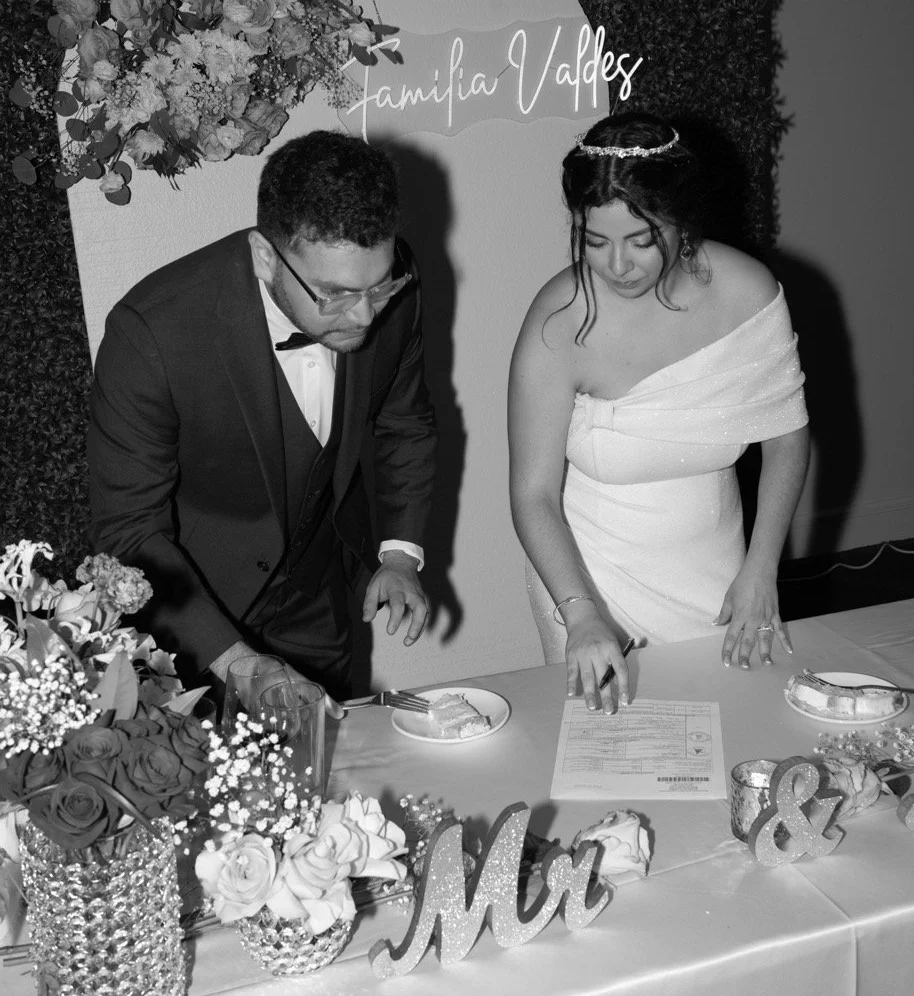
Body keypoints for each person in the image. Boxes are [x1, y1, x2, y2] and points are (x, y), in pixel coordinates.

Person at [88, 130, 437, 709]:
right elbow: (129, 532)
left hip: (317, 605)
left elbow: (406, 424)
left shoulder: (389, 288)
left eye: (379, 288)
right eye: (333, 294)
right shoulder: (152, 333)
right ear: (264, 255)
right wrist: (242, 665)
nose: (365, 315)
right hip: (187, 621)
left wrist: (398, 554)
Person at [508, 111, 809, 712]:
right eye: (595, 242)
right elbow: (533, 494)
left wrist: (761, 568)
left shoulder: (747, 293)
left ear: (682, 224)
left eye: (642, 240)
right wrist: (581, 613)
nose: (617, 265)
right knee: (613, 759)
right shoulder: (558, 322)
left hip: (721, 570)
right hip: (590, 580)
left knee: (740, 727)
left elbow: (786, 437)